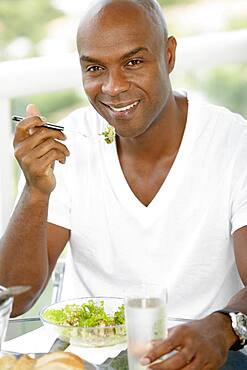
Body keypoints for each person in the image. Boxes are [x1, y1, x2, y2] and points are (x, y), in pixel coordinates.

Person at [1, 0, 247, 368]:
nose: (113, 88)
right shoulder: (73, 142)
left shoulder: (233, 143)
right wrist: (35, 190)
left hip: (197, 357)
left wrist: (224, 326)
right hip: (80, 360)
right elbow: (14, 300)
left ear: (169, 54)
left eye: (133, 62)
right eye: (95, 68)